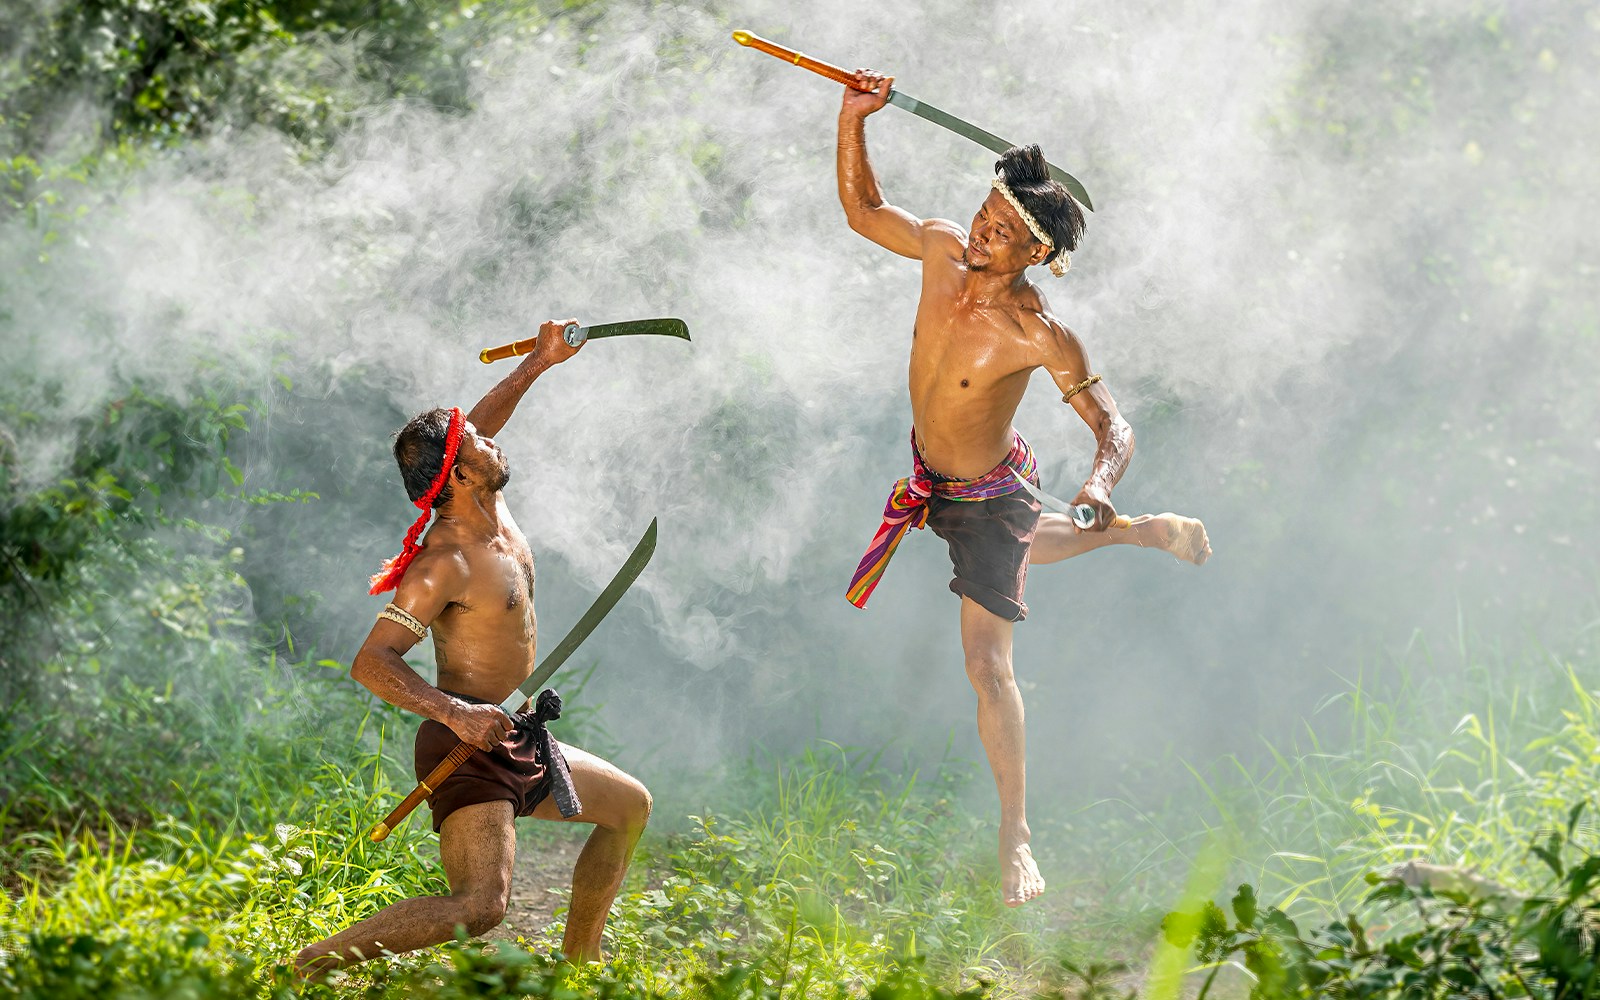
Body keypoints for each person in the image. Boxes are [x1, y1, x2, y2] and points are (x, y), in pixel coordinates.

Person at [836, 71, 1210, 907]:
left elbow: (1114, 426)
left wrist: (1101, 481)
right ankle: (1141, 533)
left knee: (985, 663)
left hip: (991, 495)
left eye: (1003, 232)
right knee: (1025, 546)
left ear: (1037, 254)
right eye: (984, 213)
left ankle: (1016, 839)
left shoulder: (1039, 333)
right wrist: (853, 116)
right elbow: (862, 211)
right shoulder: (939, 248)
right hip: (938, 481)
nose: (980, 232)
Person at [295, 320, 651, 978]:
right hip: (466, 748)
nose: (493, 440)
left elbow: (481, 421)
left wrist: (538, 363)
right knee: (483, 906)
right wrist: (455, 714)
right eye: (477, 444)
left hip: (518, 730)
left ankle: (579, 957)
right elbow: (372, 661)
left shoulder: (490, 506)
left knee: (630, 807)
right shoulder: (443, 563)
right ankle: (312, 961)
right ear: (459, 473)